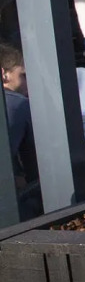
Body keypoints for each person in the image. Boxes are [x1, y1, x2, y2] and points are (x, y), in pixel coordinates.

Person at [1, 40, 35, 183]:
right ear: (3, 74)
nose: (30, 82)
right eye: (24, 75)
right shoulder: (18, 103)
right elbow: (33, 164)